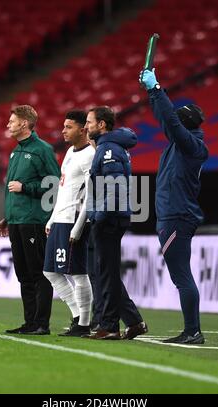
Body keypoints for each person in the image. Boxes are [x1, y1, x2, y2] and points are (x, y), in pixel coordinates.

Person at [139, 69, 209, 344]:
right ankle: (191, 330)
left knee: (181, 275)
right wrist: (153, 94)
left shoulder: (192, 145)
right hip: (174, 215)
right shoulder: (182, 144)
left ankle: (193, 331)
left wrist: (156, 88)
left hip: (177, 216)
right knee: (181, 274)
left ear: (185, 125)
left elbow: (170, 121)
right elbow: (167, 120)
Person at [0, 105, 60, 335]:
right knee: (23, 274)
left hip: (34, 220)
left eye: (11, 121)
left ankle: (42, 323)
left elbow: (53, 184)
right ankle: (30, 322)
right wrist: (8, 216)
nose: (8, 125)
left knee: (37, 273)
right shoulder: (15, 151)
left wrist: (26, 188)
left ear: (24, 123)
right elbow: (14, 191)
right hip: (17, 220)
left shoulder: (42, 150)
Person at [85, 106, 148, 340]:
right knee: (107, 272)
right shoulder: (108, 146)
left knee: (106, 273)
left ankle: (110, 326)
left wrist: (99, 217)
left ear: (102, 125)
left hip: (109, 219)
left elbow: (114, 188)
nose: (86, 126)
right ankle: (133, 322)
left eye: (90, 122)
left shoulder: (109, 149)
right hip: (111, 217)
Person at [43, 110, 94, 337]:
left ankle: (84, 322)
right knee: (50, 272)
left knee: (77, 273)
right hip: (60, 219)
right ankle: (77, 316)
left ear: (83, 129)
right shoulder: (70, 152)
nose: (63, 130)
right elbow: (64, 189)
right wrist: (52, 218)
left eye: (69, 126)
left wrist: (78, 226)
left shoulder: (90, 155)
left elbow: (89, 196)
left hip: (73, 220)